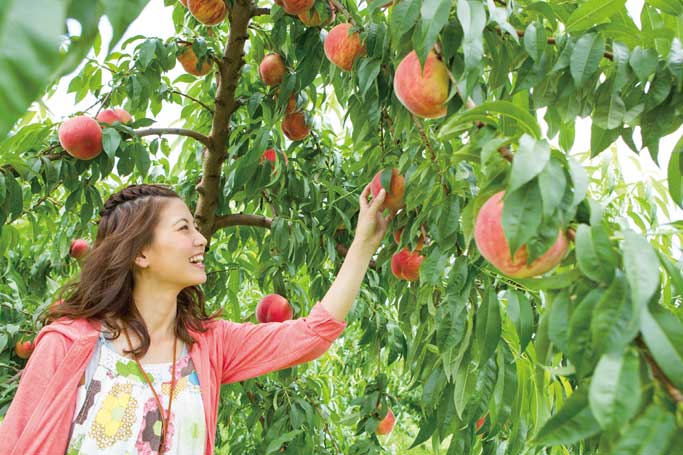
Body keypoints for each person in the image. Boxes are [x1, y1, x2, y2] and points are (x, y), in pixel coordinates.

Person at [0, 182, 393, 455]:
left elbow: (314, 334)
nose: (201, 239)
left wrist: (362, 244)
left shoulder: (208, 345)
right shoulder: (69, 345)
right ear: (141, 254)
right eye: (183, 228)